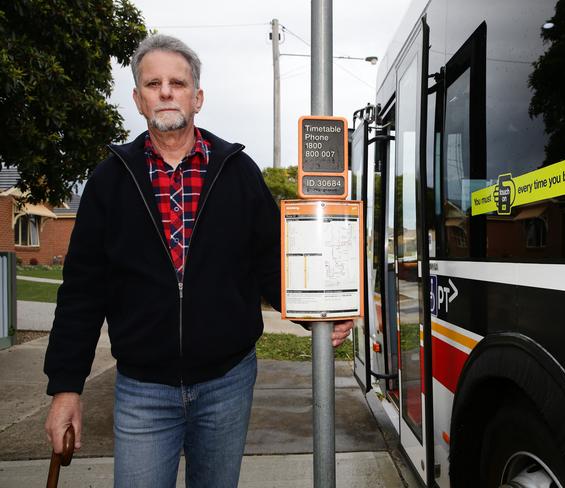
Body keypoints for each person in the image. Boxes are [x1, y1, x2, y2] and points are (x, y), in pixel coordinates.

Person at [43, 34, 352, 487]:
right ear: (137, 98)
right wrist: (66, 387)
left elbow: (270, 264)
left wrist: (315, 314)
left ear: (198, 96)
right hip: (142, 391)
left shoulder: (238, 172)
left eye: (177, 82)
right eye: (153, 84)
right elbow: (82, 293)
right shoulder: (109, 181)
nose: (166, 92)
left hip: (227, 384)